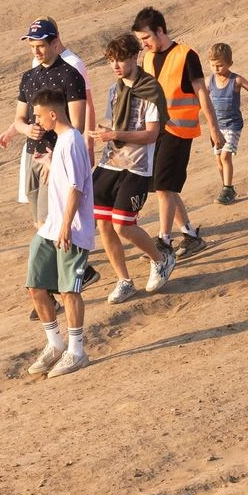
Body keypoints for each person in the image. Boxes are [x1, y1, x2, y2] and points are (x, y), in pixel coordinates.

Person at [88, 32, 175, 304]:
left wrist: (115, 135)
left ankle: (161, 259)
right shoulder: (115, 89)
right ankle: (124, 280)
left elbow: (151, 134)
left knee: (123, 226)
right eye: (112, 60)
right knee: (103, 224)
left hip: (137, 167)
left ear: (135, 57)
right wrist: (106, 133)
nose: (115, 66)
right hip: (110, 163)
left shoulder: (150, 89)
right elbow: (113, 124)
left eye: (121, 59)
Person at [22, 84, 95, 377]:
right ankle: (54, 344)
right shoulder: (61, 142)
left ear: (53, 114)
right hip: (51, 227)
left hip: (71, 229)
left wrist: (66, 226)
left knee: (68, 291)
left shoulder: (73, 141)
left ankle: (76, 351)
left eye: (39, 116)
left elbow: (77, 189)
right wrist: (50, 162)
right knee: (35, 285)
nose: (37, 122)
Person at [131, 7, 208, 258]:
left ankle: (164, 241)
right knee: (167, 187)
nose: (143, 45)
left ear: (160, 31)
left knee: (163, 187)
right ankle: (190, 235)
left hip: (180, 131)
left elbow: (201, 92)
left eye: (146, 39)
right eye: (141, 41)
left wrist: (214, 128)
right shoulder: (149, 58)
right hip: (156, 131)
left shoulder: (187, 55)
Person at [0, 19, 93, 221]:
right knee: (37, 220)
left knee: (47, 221)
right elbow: (19, 118)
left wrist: (56, 162)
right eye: (32, 47)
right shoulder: (29, 77)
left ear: (55, 43)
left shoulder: (71, 75)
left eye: (41, 45)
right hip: (33, 154)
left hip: (55, 156)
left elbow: (77, 126)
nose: (36, 51)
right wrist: (26, 130)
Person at [205, 42, 245, 204]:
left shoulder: (236, 80)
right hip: (216, 127)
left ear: (230, 64)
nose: (216, 69)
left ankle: (228, 188)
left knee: (225, 156)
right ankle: (226, 188)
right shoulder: (209, 81)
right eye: (213, 65)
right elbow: (201, 99)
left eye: (220, 65)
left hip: (233, 125)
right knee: (218, 160)